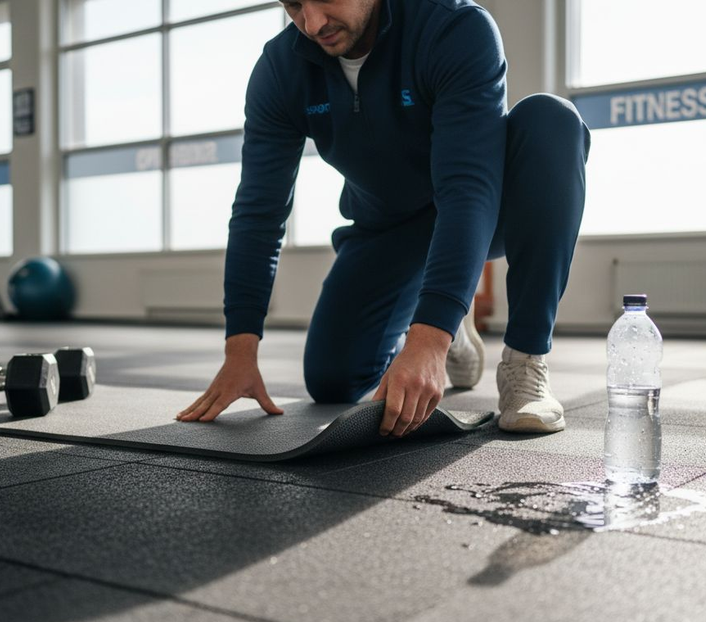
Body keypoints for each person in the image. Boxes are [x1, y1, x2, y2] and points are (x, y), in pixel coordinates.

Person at [177, 0, 590, 438]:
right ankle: (449, 314)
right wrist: (240, 349)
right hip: (388, 228)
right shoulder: (281, 69)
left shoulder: (453, 27)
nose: (312, 23)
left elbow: (468, 187)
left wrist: (430, 338)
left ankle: (523, 362)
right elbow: (259, 211)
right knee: (332, 380)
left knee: (552, 121)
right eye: (294, 5)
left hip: (485, 208)